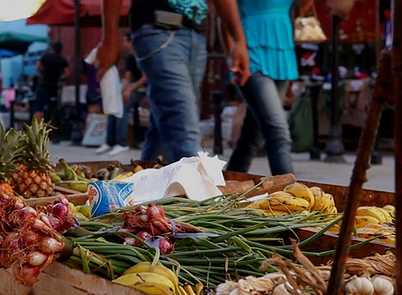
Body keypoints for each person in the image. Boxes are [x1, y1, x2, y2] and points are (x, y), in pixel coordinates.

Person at [96, 0, 250, 164]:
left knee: (166, 129)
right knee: (183, 125)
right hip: (158, 28)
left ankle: (147, 184)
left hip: (196, 34)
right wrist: (109, 39)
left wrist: (238, 41)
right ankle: (198, 186)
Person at [224, 0, 311, 175]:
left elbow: (301, 7)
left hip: (281, 49)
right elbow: (223, 17)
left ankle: (225, 187)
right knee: (277, 131)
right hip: (250, 51)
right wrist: (231, 52)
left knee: (252, 137)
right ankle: (292, 196)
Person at [96, 32, 147, 156]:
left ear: (131, 42)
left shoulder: (143, 56)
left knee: (122, 107)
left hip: (143, 90)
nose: (123, 44)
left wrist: (130, 89)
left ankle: (122, 143)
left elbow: (145, 78)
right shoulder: (129, 58)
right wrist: (120, 90)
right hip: (132, 88)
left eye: (125, 41)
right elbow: (127, 78)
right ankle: (110, 141)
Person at [33, 41, 70, 122]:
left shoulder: (46, 56)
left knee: (39, 108)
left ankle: (37, 130)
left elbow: (37, 67)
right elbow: (67, 75)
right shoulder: (62, 60)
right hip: (54, 87)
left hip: (43, 85)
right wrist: (60, 77)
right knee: (52, 109)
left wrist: (43, 72)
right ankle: (50, 131)